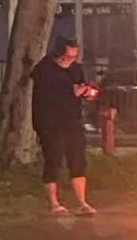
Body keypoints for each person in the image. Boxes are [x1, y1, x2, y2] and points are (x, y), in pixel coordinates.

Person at [30, 37, 96, 215]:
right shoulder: (45, 69)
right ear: (59, 53)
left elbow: (80, 87)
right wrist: (71, 93)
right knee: (54, 159)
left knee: (77, 159)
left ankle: (82, 202)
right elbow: (46, 96)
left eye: (74, 57)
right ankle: (54, 203)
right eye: (67, 56)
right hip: (50, 122)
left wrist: (86, 93)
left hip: (72, 120)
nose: (70, 61)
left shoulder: (75, 69)